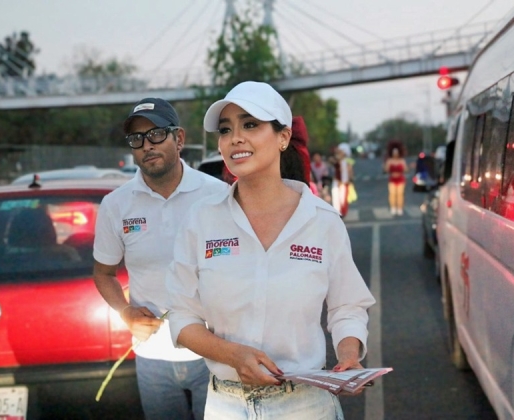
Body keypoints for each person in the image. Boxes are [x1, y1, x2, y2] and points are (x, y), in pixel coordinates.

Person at [164, 81, 376, 419]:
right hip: (226, 406)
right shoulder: (201, 220)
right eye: (225, 129)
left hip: (305, 404)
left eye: (250, 125)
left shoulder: (322, 221)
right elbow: (182, 317)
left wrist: (348, 353)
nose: (235, 138)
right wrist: (232, 355)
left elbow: (347, 306)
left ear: (283, 137)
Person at [92, 98, 229, 420]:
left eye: (155, 134)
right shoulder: (116, 205)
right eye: (136, 139)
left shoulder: (218, 195)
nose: (146, 146)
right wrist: (125, 311)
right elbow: (103, 273)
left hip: (214, 353)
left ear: (178, 138)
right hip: (151, 358)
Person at [384, 140, 407, 216]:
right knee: (392, 194)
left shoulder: (402, 161)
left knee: (400, 194)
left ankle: (400, 208)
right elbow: (386, 170)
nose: (395, 154)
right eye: (394, 153)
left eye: (396, 153)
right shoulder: (389, 161)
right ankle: (393, 207)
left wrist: (407, 167)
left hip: (400, 179)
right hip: (392, 180)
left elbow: (406, 169)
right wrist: (386, 166)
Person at [331, 142, 354, 217]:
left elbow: (350, 170)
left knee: (343, 198)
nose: (340, 152)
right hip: (336, 181)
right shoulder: (336, 160)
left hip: (345, 182)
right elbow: (332, 162)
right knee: (335, 195)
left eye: (342, 151)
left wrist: (351, 180)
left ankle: (342, 212)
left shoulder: (349, 160)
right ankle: (336, 211)